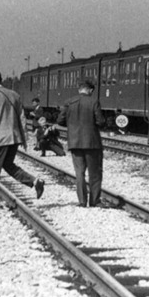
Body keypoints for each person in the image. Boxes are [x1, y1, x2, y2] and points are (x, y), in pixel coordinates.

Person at [0, 69, 44, 206]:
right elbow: (22, 118)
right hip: (14, 138)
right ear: (1, 79)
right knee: (8, 165)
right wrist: (24, 138)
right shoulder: (15, 95)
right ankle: (34, 181)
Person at [57, 78, 104, 207]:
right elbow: (100, 121)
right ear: (90, 90)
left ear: (79, 89)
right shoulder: (94, 101)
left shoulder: (69, 102)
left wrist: (72, 125)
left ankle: (82, 201)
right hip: (92, 142)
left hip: (75, 142)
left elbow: (60, 121)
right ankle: (94, 201)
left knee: (79, 173)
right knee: (95, 172)